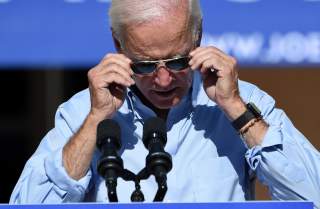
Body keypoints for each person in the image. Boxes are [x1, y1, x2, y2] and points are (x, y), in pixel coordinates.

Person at [10, 0, 320, 206]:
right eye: (143, 65)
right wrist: (95, 121)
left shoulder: (242, 101)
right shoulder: (82, 112)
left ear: (197, 38)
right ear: (118, 44)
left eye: (177, 62)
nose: (162, 80)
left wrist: (237, 111)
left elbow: (312, 196)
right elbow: (28, 205)